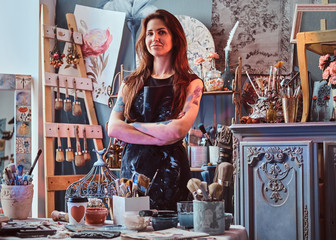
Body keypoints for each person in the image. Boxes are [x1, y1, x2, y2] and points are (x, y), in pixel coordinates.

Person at [108, 9, 203, 210]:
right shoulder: (130, 83)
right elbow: (113, 128)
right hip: (132, 171)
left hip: (171, 171)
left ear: (175, 38)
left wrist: (132, 127)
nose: (155, 38)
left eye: (162, 32)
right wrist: (162, 137)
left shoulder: (191, 83)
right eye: (150, 33)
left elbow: (177, 130)